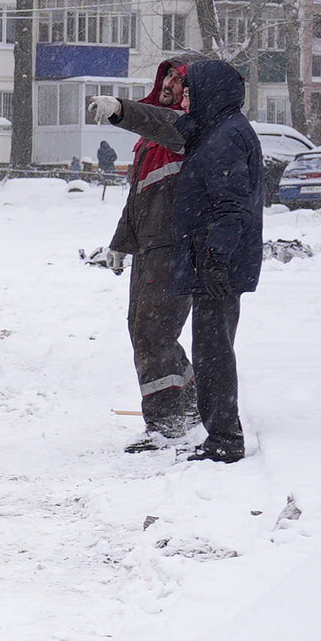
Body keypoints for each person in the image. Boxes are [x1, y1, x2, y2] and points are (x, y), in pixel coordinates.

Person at [165, 56, 263, 461]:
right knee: (210, 351)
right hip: (211, 260)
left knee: (213, 354)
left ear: (209, 93)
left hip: (217, 265)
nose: (185, 100)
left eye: (190, 92)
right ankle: (218, 434)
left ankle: (225, 439)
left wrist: (216, 259)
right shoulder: (215, 131)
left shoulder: (225, 138)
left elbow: (231, 205)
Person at [98, 57, 195, 449]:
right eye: (167, 76)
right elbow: (140, 198)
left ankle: (168, 422)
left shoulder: (186, 129)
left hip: (174, 245)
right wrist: (121, 243)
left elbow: (159, 121)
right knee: (144, 329)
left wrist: (122, 110)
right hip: (151, 245)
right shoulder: (152, 141)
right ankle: (191, 404)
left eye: (179, 79)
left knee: (154, 331)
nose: (170, 83)